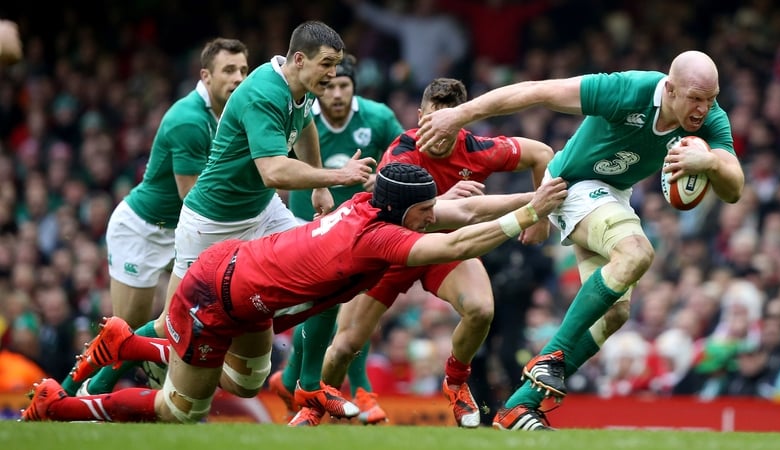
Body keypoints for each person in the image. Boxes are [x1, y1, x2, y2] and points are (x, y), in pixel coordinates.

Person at [20, 162, 568, 424]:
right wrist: (526, 214)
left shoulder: (370, 205)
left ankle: (128, 344)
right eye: (424, 211)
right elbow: (457, 237)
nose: (430, 216)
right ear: (404, 213)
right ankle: (60, 408)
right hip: (218, 296)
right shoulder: (377, 241)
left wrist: (539, 194)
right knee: (183, 409)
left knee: (251, 378)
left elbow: (463, 211)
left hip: (247, 280)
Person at [416, 50, 745, 430]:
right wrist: (459, 114)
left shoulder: (709, 119)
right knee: (636, 251)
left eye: (712, 98)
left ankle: (518, 407)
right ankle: (549, 358)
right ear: (669, 89)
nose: (704, 108)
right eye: (695, 98)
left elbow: (734, 188)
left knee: (616, 313)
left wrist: (711, 163)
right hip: (569, 185)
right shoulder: (628, 90)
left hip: (611, 195)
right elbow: (538, 91)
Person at [61, 21, 376, 409]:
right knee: (169, 326)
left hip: (261, 212)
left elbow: (306, 124)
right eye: (327, 64)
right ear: (298, 59)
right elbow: (274, 171)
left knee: (328, 272)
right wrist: (339, 175)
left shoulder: (302, 86)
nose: (333, 74)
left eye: (336, 66)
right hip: (210, 224)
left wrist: (320, 185)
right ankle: (84, 388)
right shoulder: (260, 95)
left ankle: (305, 382)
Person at [319, 77, 554, 428]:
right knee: (344, 346)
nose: (439, 131)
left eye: (450, 120)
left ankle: (456, 382)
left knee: (480, 310)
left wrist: (542, 219)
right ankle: (315, 407)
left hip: (444, 250)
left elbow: (543, 154)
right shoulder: (402, 151)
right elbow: (388, 208)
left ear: (463, 120)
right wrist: (443, 200)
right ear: (419, 116)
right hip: (391, 251)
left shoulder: (479, 149)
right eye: (432, 120)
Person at [59, 37, 250, 397]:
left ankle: (146, 383)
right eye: (229, 70)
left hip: (183, 231)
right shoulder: (189, 120)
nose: (239, 78)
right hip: (144, 229)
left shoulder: (231, 115)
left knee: (170, 325)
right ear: (206, 76)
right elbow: (194, 200)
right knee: (126, 328)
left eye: (243, 69)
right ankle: (72, 394)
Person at [269, 54, 404, 425]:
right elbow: (277, 163)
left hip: (362, 229)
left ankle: (305, 379)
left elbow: (407, 157)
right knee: (318, 306)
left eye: (345, 86)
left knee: (350, 307)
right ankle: (340, 387)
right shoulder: (301, 115)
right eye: (329, 86)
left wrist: (386, 178)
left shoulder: (377, 118)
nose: (338, 94)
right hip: (307, 220)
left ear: (354, 88)